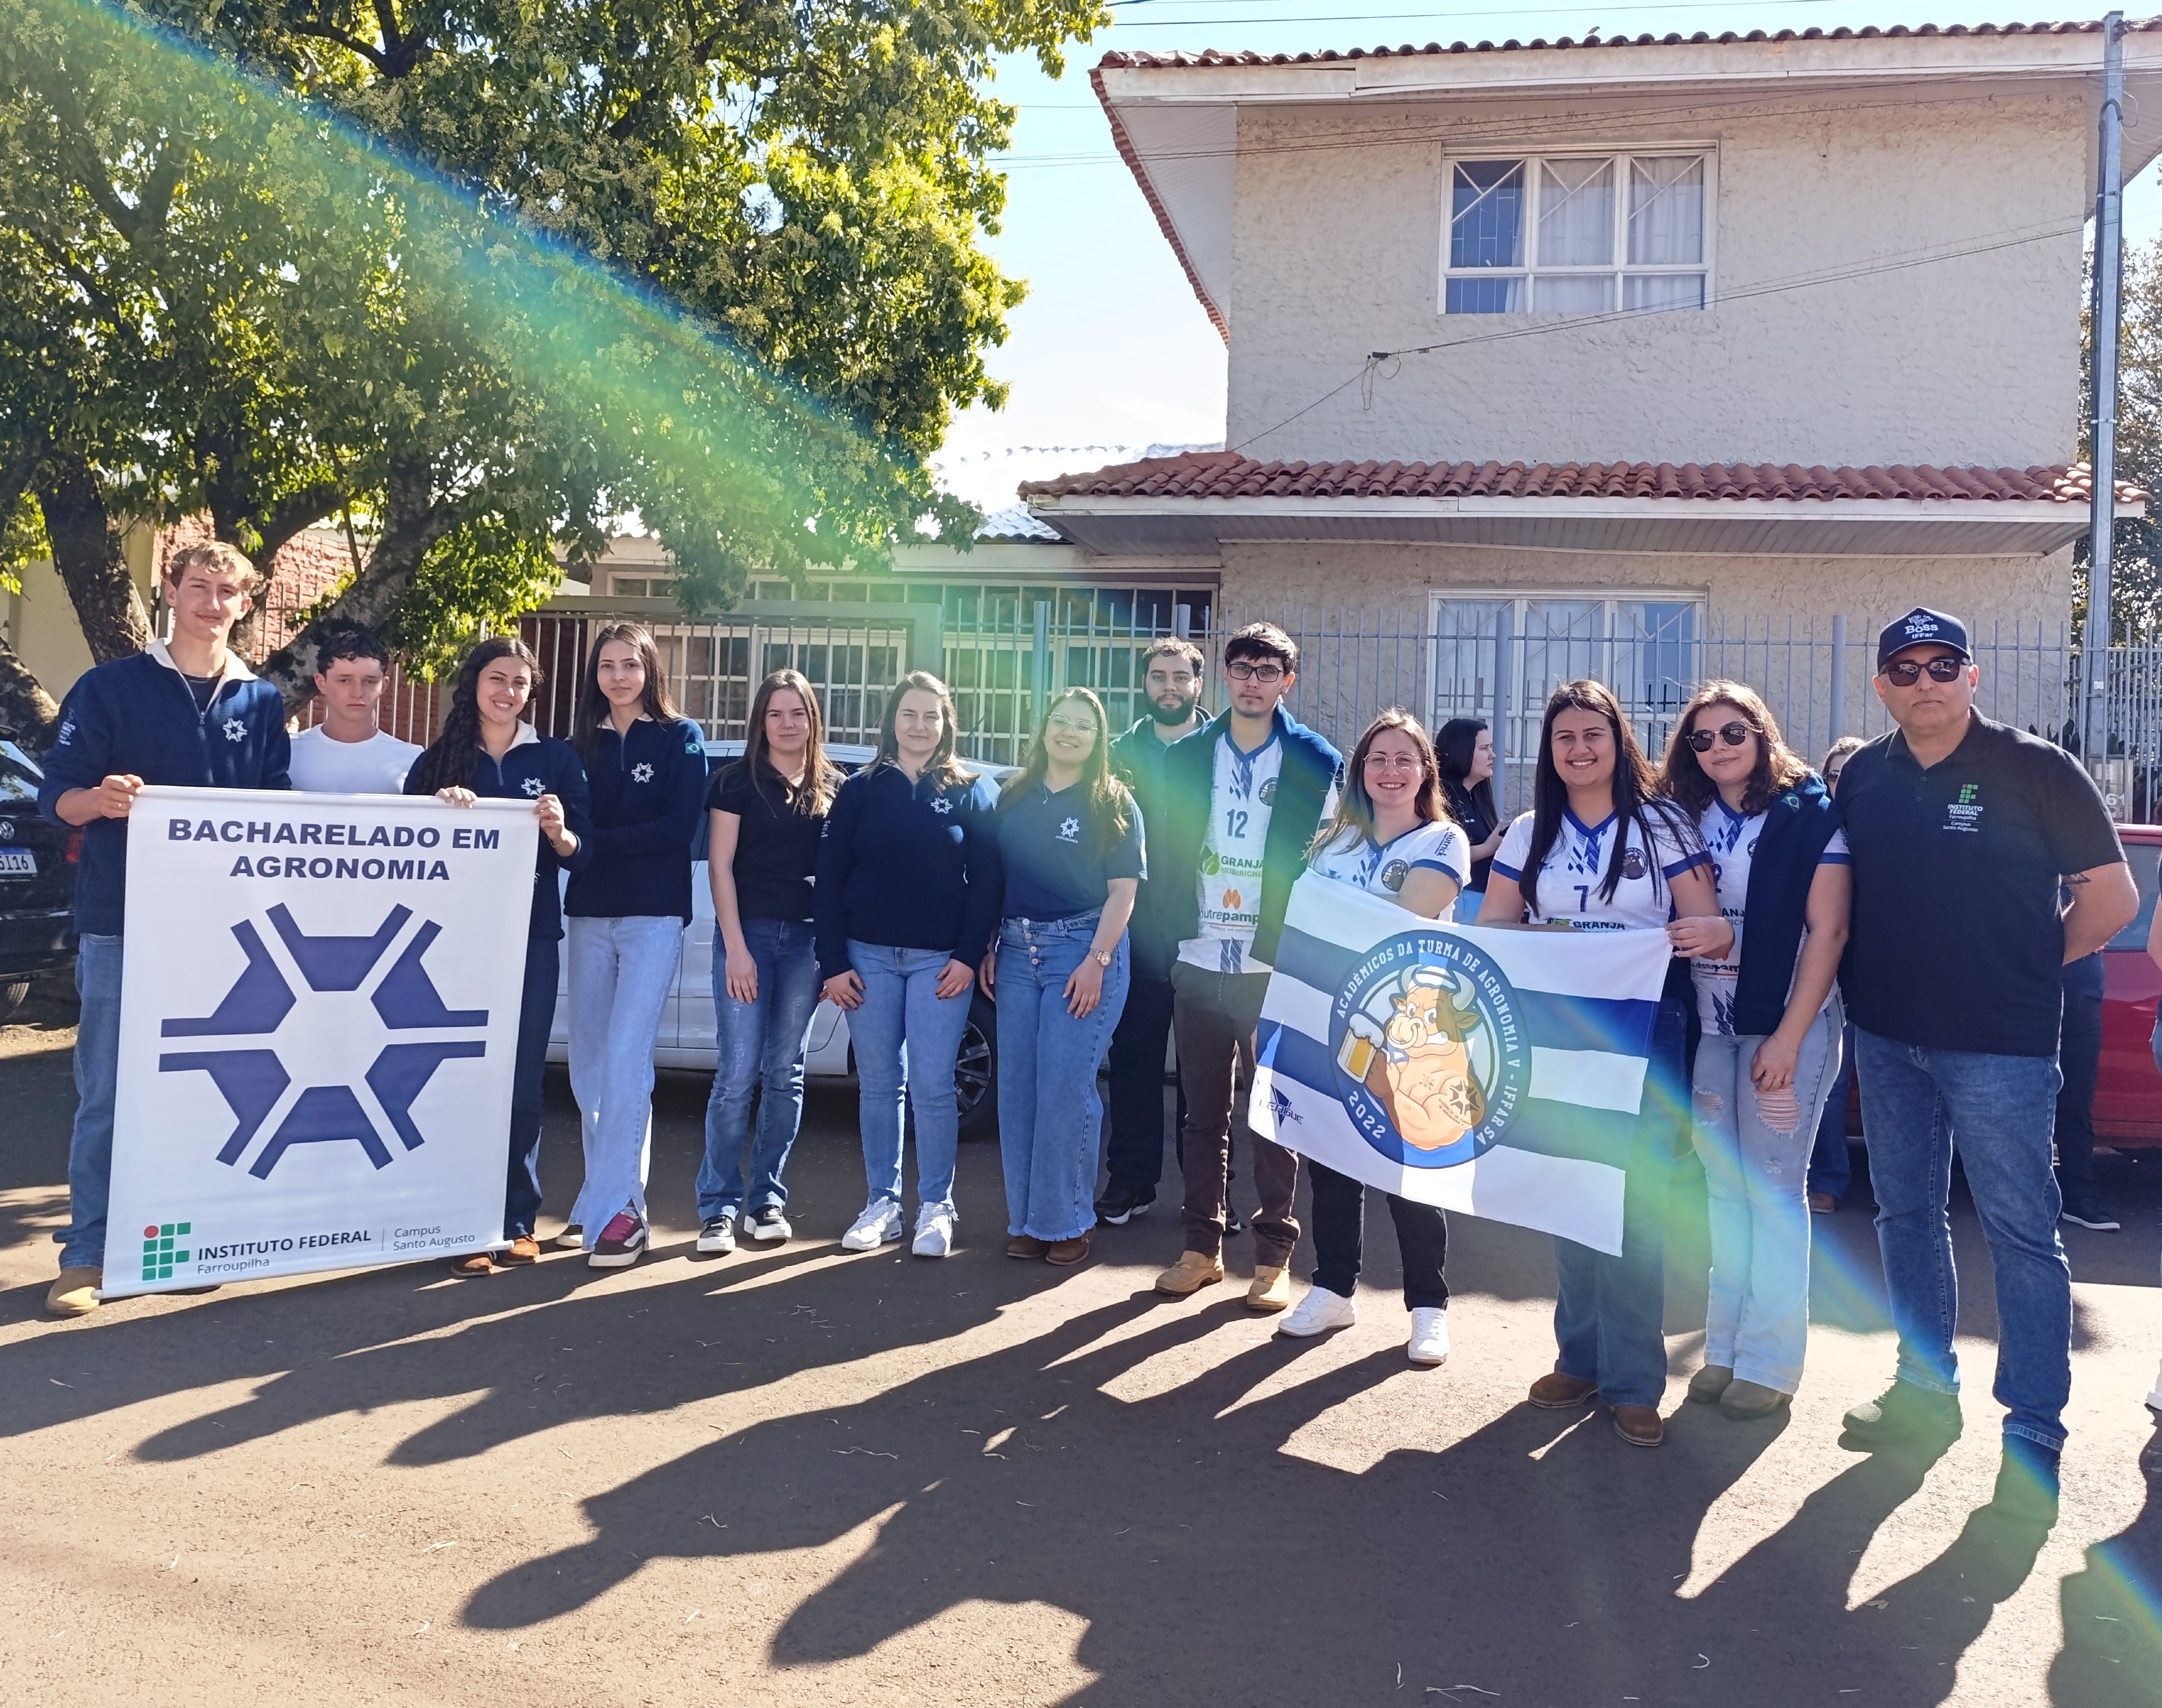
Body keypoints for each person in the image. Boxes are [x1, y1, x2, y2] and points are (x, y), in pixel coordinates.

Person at [1836, 607, 2135, 1525]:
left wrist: (2026, 966)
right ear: (1881, 686)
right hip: (1887, 1038)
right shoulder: (1862, 776)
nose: (1923, 682)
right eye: (1905, 669)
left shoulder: (2036, 768)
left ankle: (2033, 1431)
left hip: (2001, 1047)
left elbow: (2112, 898)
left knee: (2020, 1232)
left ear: (1972, 675)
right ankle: (1924, 1389)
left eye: (1943, 665)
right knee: (1905, 1214)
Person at [37, 542, 292, 1317]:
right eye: (199, 586)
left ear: (244, 605)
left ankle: (176, 1242)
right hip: (120, 920)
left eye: (227, 592)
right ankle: (86, 1251)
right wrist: (100, 799)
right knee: (107, 1091)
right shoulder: (109, 687)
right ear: (171, 591)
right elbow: (57, 799)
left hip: (225, 936)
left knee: (206, 1090)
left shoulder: (263, 702)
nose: (212, 603)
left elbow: (277, 812)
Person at [1478, 679, 1730, 1449]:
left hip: (1646, 1028)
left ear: (1618, 742)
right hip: (1556, 1034)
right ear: (1548, 750)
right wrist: (1566, 942)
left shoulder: (1662, 822)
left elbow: (1707, 920)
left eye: (1593, 734)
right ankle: (1579, 1359)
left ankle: (1633, 1381)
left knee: (1635, 1202)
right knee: (1570, 1192)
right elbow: (1496, 924)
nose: (1579, 748)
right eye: (1564, 737)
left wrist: (1705, 934)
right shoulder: (1529, 830)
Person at [1660, 681, 1851, 1421]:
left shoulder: (1810, 813)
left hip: (1785, 1029)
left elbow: (1828, 932)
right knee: (1722, 1192)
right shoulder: (1684, 815)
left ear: (1762, 733)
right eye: (1702, 738)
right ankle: (1724, 1349)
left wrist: (1789, 1036)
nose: (1718, 747)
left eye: (1733, 732)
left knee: (1772, 1193)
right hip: (1711, 1028)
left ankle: (1770, 1363)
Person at [1148, 622, 1342, 1311]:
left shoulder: (1314, 759)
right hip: (1199, 954)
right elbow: (1166, 845)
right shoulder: (1187, 754)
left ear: (1287, 680)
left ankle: (1272, 1257)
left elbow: (1328, 857)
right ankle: (1201, 1248)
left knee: (1273, 1113)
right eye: (1241, 669)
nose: (1252, 682)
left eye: (1267, 671)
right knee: (1202, 1113)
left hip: (1271, 962)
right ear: (1225, 676)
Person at [1278, 710, 1469, 1365]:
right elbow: (1300, 922)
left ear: (1425, 771)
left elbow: (1406, 915)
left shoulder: (1443, 840)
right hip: (1335, 1018)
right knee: (1332, 1160)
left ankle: (1429, 1307)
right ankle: (1333, 1289)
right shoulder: (1334, 843)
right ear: (1359, 770)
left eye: (1403, 759)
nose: (1390, 771)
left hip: (1417, 1034)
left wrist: (1333, 918)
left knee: (1412, 1173)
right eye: (1377, 759)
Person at [406, 636, 594, 1276]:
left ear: (530, 691)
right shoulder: (438, 760)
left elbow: (585, 852)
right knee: (454, 1078)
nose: (507, 691)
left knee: (519, 1083)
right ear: (474, 683)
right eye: (496, 678)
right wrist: (438, 814)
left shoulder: (556, 759)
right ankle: (459, 1222)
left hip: (530, 941)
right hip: (449, 946)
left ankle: (515, 1221)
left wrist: (559, 833)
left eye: (519, 682)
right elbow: (402, 852)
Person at [816, 671, 1001, 1259]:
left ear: (946, 724)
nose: (920, 726)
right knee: (879, 1085)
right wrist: (833, 962)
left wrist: (968, 956)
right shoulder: (859, 790)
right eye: (909, 714)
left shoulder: (972, 790)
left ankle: (937, 1206)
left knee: (933, 1085)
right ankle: (884, 1204)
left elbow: (988, 882)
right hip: (867, 959)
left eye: (931, 716)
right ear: (892, 720)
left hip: (940, 964)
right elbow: (830, 879)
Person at [560, 624, 707, 1268]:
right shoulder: (578, 744)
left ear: (650, 670)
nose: (618, 677)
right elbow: (568, 829)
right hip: (589, 913)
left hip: (652, 916)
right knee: (589, 1065)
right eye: (607, 666)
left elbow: (677, 828)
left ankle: (623, 1211)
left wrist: (593, 844)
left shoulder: (681, 737)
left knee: (625, 1061)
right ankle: (602, 1191)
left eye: (629, 665)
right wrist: (581, 843)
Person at [986, 688, 1143, 1267]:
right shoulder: (1013, 795)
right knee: (1018, 1093)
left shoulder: (1113, 802)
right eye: (1061, 721)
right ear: (1044, 728)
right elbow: (995, 878)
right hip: (1016, 951)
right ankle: (1030, 1220)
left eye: (1083, 725)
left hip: (1081, 951)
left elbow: (1123, 893)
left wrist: (1096, 962)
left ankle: (1069, 1222)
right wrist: (989, 943)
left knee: (1064, 1090)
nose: (1069, 733)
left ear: (1098, 739)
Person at [697, 669, 842, 1255]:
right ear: (760, 721)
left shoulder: (834, 788)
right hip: (748, 937)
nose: (787, 724)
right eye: (775, 714)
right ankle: (718, 1207)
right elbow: (720, 868)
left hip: (806, 946)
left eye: (797, 713)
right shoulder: (735, 783)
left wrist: (833, 954)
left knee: (786, 1073)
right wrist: (736, 949)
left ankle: (767, 1200)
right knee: (737, 1075)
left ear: (813, 721)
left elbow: (840, 879)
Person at [1100, 638, 1207, 1226]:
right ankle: (1131, 1183)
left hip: (1208, 933)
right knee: (1134, 1063)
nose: (1170, 687)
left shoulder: (1222, 750)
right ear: (1144, 684)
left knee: (1204, 1073)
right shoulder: (1116, 754)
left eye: (1180, 677)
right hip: (1135, 936)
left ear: (1198, 684)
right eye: (1159, 677)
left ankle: (1208, 1194)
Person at [1807, 734, 1868, 1214]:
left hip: (1874, 974)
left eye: (1852, 775)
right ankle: (1826, 1179)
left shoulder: (1881, 827)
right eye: (1834, 774)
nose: (1842, 784)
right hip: (1825, 970)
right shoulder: (1814, 829)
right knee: (1828, 1082)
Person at [286, 625, 423, 794]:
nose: (357, 693)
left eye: (370, 681)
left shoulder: (411, 759)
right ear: (322, 683)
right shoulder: (287, 753)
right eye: (345, 681)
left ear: (384, 685)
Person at [2054, 944, 2115, 1232]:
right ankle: (2033, 1201)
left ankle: (2077, 1199)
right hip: (2036, 992)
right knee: (2028, 1103)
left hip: (2087, 994)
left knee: (2077, 1103)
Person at [1436, 717, 1503, 925]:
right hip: (1462, 900)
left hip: (1485, 899)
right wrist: (1488, 848)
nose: (1492, 755)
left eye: (1491, 747)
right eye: (1484, 748)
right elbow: (1441, 852)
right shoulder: (1441, 799)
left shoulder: (1476, 797)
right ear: (1461, 752)